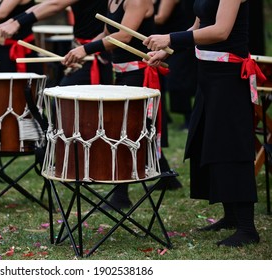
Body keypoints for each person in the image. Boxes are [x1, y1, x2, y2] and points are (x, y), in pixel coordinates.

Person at [144, 0, 264, 247]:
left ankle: (247, 227)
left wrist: (170, 39)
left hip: (229, 77)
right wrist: (166, 51)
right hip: (208, 75)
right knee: (212, 144)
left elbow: (221, 30)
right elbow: (198, 25)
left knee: (231, 148)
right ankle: (230, 216)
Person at [62, 0, 180, 209]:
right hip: (123, 72)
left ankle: (121, 196)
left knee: (127, 132)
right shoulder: (112, 1)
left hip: (141, 73)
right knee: (130, 130)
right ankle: (166, 177)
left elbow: (125, 36)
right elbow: (107, 34)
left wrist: (86, 49)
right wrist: (81, 50)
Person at [0, 0, 113, 86]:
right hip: (82, 51)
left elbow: (56, 5)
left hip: (96, 52)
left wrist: (17, 24)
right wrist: (14, 20)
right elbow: (48, 3)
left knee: (65, 103)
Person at [154, 0, 197, 131]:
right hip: (164, 43)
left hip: (179, 41)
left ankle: (189, 118)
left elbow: (161, 18)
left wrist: (137, 16)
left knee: (178, 82)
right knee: (162, 80)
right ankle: (165, 116)